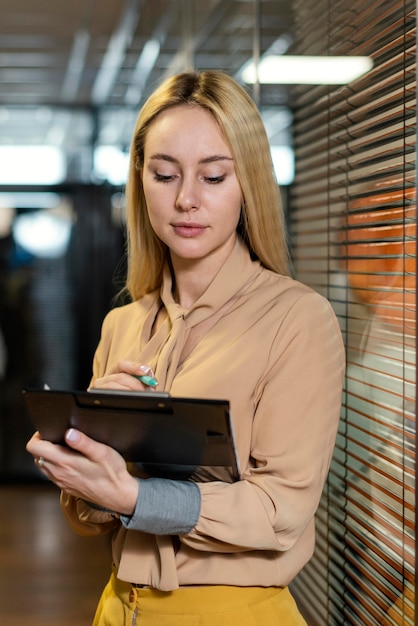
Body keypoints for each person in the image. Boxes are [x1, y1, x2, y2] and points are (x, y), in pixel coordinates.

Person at [26, 69, 345, 625]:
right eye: (165, 174)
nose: (187, 200)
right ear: (140, 179)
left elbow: (282, 512)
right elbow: (89, 519)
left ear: (247, 184)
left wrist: (134, 497)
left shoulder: (297, 320)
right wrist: (84, 456)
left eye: (214, 177)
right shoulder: (122, 325)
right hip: (118, 607)